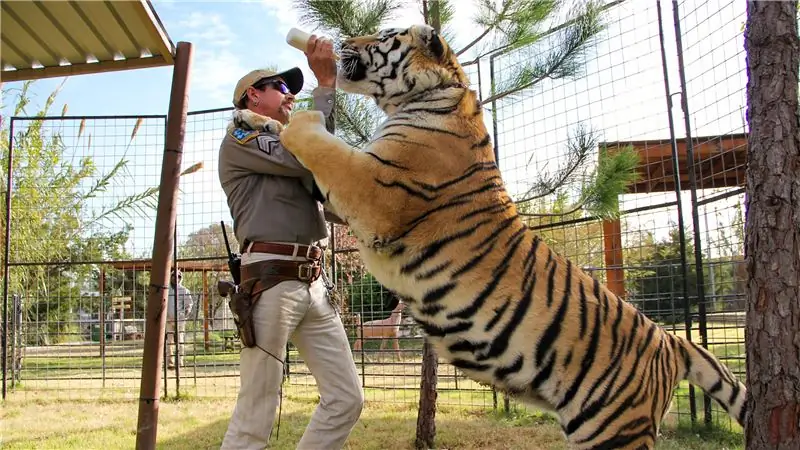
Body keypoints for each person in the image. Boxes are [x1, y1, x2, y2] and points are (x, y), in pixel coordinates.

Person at [217, 35, 363, 450]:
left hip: (314, 282)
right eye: (281, 87)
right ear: (252, 96)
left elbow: (327, 171)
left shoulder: (287, 147)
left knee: (346, 399)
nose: (290, 96)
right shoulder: (243, 139)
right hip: (271, 280)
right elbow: (311, 155)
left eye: (294, 90)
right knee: (255, 413)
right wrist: (325, 86)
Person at [166, 268, 194, 369]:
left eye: (178, 276)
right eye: (174, 276)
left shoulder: (184, 290)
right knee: (169, 341)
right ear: (170, 277)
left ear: (180, 278)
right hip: (168, 320)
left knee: (180, 341)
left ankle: (180, 362)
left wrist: (185, 314)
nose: (176, 278)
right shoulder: (166, 289)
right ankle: (170, 362)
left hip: (180, 320)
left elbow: (189, 304)